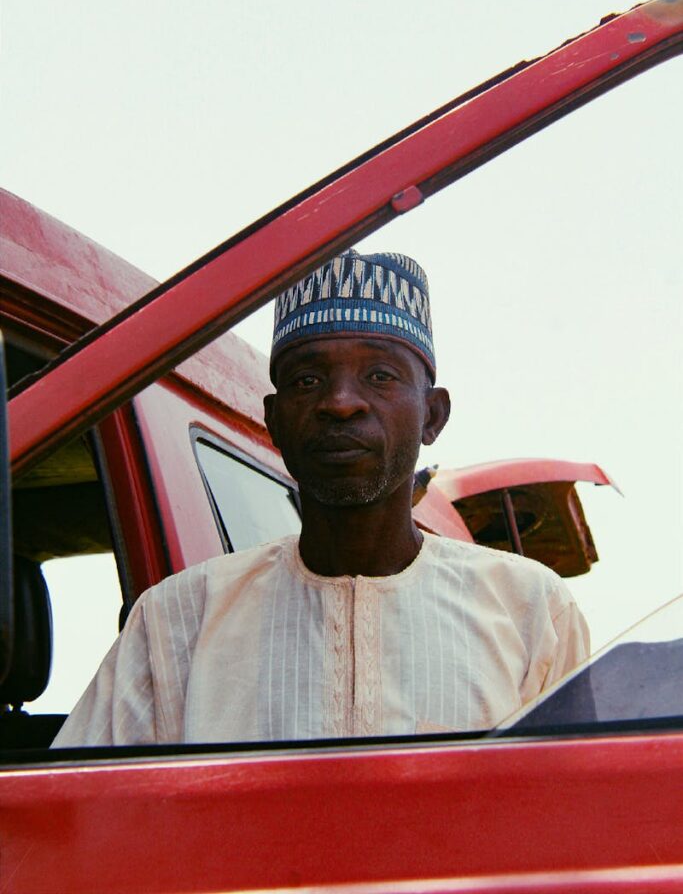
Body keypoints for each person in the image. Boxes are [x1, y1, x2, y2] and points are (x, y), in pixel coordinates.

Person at [53, 250, 589, 746]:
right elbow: (66, 822)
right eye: (308, 380)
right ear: (274, 420)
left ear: (433, 415)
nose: (339, 403)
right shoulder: (176, 623)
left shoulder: (531, 612)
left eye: (380, 376)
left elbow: (580, 817)